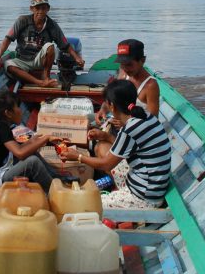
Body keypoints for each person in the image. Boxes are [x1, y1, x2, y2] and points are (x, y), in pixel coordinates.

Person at [61, 79, 171, 208]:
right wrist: (105, 136)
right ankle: (116, 191)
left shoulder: (129, 129)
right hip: (151, 186)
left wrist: (78, 157)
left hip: (144, 197)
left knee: (87, 204)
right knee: (102, 148)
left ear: (112, 106)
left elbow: (106, 164)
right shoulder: (146, 116)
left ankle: (121, 198)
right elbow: (129, 147)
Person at [0, 88, 59, 202]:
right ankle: (55, 195)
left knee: (31, 152)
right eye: (17, 107)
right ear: (8, 113)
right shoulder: (1, 128)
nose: (20, 111)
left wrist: (33, 141)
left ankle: (57, 179)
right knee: (33, 162)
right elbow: (20, 153)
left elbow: (19, 149)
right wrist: (45, 139)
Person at [0, 0, 85, 88]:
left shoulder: (52, 25)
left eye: (43, 8)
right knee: (8, 64)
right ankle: (40, 82)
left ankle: (46, 77)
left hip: (39, 61)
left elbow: (65, 45)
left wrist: (77, 58)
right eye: (37, 8)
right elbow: (8, 39)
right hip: (22, 59)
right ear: (31, 9)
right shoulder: (22, 21)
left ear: (48, 9)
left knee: (50, 46)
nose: (40, 11)